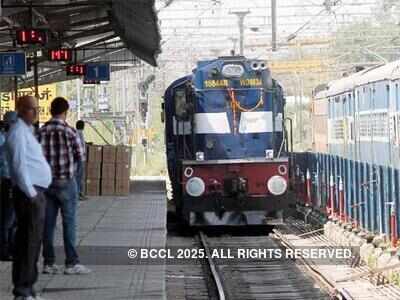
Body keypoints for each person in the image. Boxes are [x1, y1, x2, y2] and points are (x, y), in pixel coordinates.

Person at [5, 96, 52, 300]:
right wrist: (31, 193)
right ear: (22, 109)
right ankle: (22, 290)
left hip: (35, 192)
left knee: (33, 242)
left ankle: (29, 287)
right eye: (33, 109)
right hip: (28, 195)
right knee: (27, 243)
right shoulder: (17, 133)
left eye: (37, 109)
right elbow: (18, 165)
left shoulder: (26, 131)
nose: (36, 112)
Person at [38, 97, 91, 275]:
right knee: (69, 223)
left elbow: (35, 157)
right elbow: (81, 155)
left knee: (48, 224)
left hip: (46, 184)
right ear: (65, 111)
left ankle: (48, 263)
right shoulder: (70, 132)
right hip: (66, 182)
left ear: (51, 110)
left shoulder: (41, 131)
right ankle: (71, 263)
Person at [0, 111, 18, 261]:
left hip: (9, 182)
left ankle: (10, 247)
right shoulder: (6, 139)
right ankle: (5, 249)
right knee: (9, 218)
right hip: (8, 182)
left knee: (11, 218)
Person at [75, 120, 86, 200]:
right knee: (79, 176)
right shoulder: (80, 133)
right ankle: (79, 194)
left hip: (77, 158)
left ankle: (79, 194)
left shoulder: (75, 133)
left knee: (77, 176)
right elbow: (81, 146)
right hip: (80, 158)